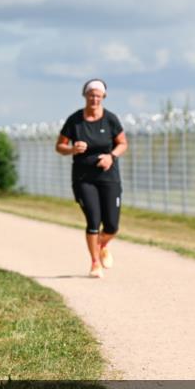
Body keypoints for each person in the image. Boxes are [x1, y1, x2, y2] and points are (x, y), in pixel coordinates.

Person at [55, 79, 128, 279]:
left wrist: (110, 156)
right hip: (83, 178)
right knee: (93, 221)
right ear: (85, 96)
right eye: (91, 95)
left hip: (108, 176)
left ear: (103, 97)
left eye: (98, 95)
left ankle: (102, 244)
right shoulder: (75, 120)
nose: (94, 98)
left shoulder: (110, 119)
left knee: (112, 225)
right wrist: (72, 149)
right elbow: (59, 146)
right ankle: (95, 263)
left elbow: (122, 143)